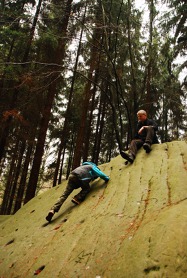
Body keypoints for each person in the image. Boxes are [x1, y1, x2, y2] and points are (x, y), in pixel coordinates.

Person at [46, 161, 110, 222]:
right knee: (86, 188)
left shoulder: (82, 167)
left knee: (65, 194)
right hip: (81, 178)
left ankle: (53, 210)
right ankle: (77, 198)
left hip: (72, 176)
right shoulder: (92, 167)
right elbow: (100, 174)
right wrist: (107, 178)